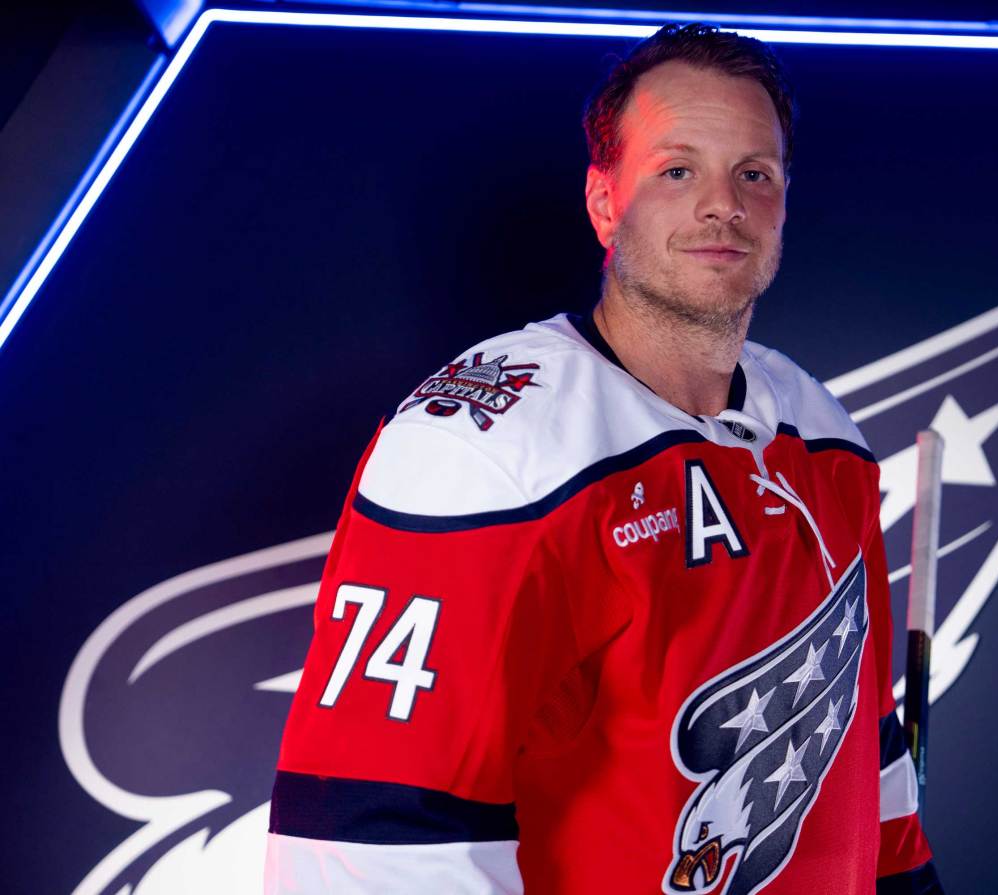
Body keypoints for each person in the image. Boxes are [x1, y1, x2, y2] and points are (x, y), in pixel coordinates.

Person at [265, 22, 942, 895]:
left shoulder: (822, 432)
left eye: (754, 174)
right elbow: (372, 838)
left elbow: (853, 737)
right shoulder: (491, 451)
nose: (721, 205)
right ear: (603, 203)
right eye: (677, 169)